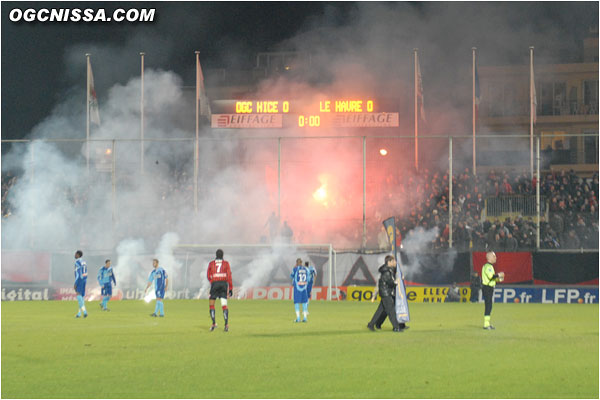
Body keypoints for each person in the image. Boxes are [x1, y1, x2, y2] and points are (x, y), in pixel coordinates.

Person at [367, 255, 405, 332]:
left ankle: (371, 324)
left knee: (380, 310)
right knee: (391, 311)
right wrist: (397, 282)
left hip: (385, 292)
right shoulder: (387, 272)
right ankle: (396, 327)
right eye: (394, 261)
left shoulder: (388, 270)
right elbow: (390, 283)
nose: (395, 262)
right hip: (386, 293)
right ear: (389, 262)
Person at [207, 249, 233, 332]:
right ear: (222, 255)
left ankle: (213, 323)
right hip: (223, 284)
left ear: (216, 255)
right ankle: (226, 325)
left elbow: (208, 275)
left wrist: (212, 282)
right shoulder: (226, 263)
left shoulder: (211, 263)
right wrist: (231, 288)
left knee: (212, 304)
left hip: (215, 283)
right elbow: (229, 276)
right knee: (224, 304)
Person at [481, 251, 504, 330]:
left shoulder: (489, 266)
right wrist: (499, 275)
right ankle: (486, 324)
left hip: (488, 287)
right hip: (487, 288)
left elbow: (491, 278)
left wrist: (498, 279)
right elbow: (491, 276)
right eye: (494, 256)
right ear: (490, 258)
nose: (495, 258)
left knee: (489, 305)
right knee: (488, 305)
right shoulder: (488, 266)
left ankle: (487, 323)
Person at [291, 258, 309, 322]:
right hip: (304, 288)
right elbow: (308, 279)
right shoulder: (306, 269)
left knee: (296, 302)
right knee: (304, 302)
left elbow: (291, 276)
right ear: (301, 263)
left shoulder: (295, 269)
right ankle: (305, 318)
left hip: (297, 288)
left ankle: (298, 318)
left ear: (297, 263)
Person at [74, 250, 88, 318]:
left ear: (78, 255)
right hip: (85, 279)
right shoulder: (84, 262)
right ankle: (79, 313)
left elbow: (78, 274)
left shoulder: (77, 262)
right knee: (81, 297)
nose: (74, 255)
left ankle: (85, 312)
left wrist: (76, 283)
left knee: (78, 295)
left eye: (75, 254)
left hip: (80, 280)